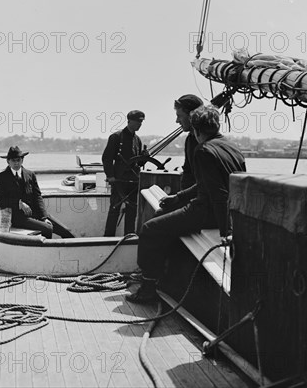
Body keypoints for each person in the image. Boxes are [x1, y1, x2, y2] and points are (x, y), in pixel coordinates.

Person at [127, 106, 246, 304]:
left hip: (206, 212)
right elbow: (211, 184)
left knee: (150, 230)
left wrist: (227, 232)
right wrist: (178, 197)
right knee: (166, 220)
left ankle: (147, 288)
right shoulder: (232, 147)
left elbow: (218, 193)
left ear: (197, 130)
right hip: (228, 210)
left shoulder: (204, 150)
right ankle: (164, 278)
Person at [102, 110, 146, 236]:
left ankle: (129, 236)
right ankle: (108, 237)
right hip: (118, 180)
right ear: (129, 121)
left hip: (133, 181)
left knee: (132, 210)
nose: (139, 124)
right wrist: (110, 175)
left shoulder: (137, 140)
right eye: (138, 121)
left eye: (141, 122)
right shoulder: (116, 137)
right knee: (114, 209)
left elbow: (138, 163)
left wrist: (143, 157)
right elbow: (107, 158)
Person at [0, 146, 55, 238]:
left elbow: (37, 196)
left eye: (18, 160)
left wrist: (44, 217)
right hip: (18, 217)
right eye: (13, 160)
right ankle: (45, 251)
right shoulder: (2, 177)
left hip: (35, 213)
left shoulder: (30, 174)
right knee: (48, 228)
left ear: (22, 160)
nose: (16, 163)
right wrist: (19, 203)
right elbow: (0, 201)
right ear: (8, 161)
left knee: (65, 231)